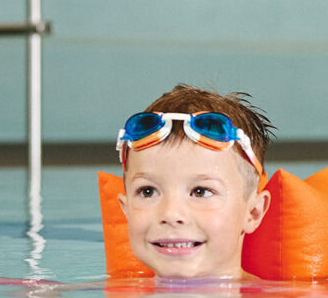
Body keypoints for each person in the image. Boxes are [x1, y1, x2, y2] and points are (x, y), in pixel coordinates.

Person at [115, 84, 275, 281]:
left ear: (253, 213)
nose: (171, 214)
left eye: (201, 191)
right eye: (147, 191)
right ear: (126, 208)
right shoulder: (99, 295)